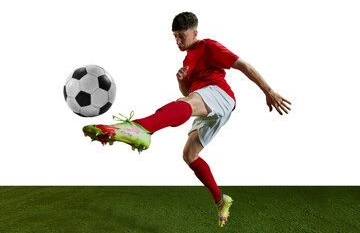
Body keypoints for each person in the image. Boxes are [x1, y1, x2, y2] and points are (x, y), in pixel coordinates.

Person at [83, 12, 291, 227]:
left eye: (182, 36)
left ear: (195, 33)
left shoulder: (209, 47)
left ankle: (141, 128)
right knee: (189, 155)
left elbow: (243, 65)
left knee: (189, 101)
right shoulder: (187, 60)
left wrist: (268, 91)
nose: (178, 41)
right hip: (208, 104)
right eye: (175, 36)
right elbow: (189, 92)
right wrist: (182, 81)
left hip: (220, 94)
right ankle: (221, 200)